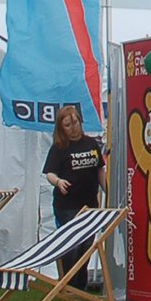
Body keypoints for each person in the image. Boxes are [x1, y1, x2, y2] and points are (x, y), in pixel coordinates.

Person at [42, 105, 104, 274]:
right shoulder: (59, 148)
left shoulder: (91, 143)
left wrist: (106, 189)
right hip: (67, 206)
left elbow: (99, 169)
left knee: (86, 244)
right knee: (71, 247)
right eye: (68, 125)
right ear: (61, 128)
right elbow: (49, 173)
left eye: (75, 122)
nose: (73, 128)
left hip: (90, 203)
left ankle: (80, 283)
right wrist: (58, 182)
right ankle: (67, 280)